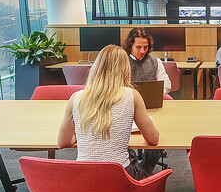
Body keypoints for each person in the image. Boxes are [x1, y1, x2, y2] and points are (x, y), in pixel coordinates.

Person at [57, 44, 161, 179]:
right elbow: (153, 139)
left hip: (84, 179)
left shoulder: (75, 98)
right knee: (134, 159)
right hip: (119, 178)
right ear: (125, 69)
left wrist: (80, 136)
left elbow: (63, 142)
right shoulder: (132, 95)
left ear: (96, 67)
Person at [123, 27, 171, 95]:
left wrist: (156, 93)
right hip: (128, 98)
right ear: (131, 44)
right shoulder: (122, 61)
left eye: (145, 47)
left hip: (150, 97)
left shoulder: (156, 61)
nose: (142, 51)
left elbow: (166, 85)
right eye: (138, 47)